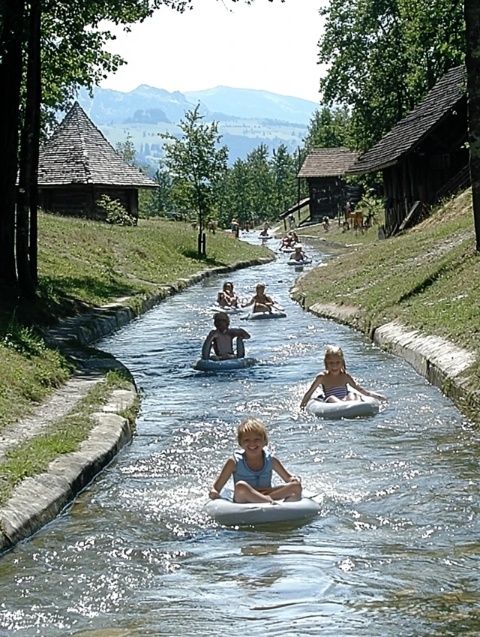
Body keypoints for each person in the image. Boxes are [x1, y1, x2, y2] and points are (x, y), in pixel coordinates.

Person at [209, 417, 302, 504]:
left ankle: (272, 505)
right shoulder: (234, 462)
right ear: (240, 443)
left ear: (264, 441)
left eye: (257, 439)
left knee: (296, 486)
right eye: (247, 440)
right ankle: (267, 502)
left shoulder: (271, 460)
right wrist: (215, 494)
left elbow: (289, 479)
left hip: (268, 495)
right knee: (240, 486)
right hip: (244, 498)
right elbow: (216, 488)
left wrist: (294, 479)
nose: (252, 443)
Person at [300, 345, 386, 408]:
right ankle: (344, 405)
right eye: (331, 363)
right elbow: (309, 393)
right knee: (331, 397)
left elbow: (361, 390)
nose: (334, 366)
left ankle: (353, 406)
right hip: (332, 403)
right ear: (326, 363)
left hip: (346, 400)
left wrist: (378, 397)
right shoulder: (322, 377)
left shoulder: (345, 376)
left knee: (352, 394)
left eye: (337, 363)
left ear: (342, 363)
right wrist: (302, 407)